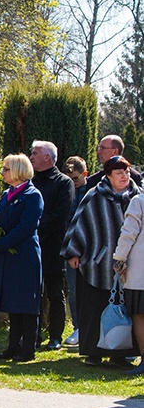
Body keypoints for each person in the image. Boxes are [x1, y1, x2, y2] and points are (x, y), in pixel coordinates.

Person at [62, 156, 141, 367]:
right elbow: (79, 223)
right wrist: (74, 252)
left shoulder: (136, 196)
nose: (124, 176)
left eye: (126, 172)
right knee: (95, 309)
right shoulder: (94, 195)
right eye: (119, 173)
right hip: (97, 264)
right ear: (108, 176)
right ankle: (93, 353)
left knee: (125, 309)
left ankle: (121, 353)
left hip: (130, 268)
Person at [0, 154, 44, 362]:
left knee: (26, 302)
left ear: (18, 170)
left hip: (24, 255)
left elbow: (25, 227)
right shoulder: (6, 194)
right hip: (7, 255)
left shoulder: (32, 195)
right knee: (13, 302)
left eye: (6, 169)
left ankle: (27, 348)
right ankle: (12, 346)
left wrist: (0, 244)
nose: (2, 173)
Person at [29, 140, 73, 350]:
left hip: (54, 245)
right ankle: (33, 335)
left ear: (47, 156)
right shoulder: (29, 181)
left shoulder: (64, 182)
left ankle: (55, 335)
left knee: (55, 293)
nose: (31, 156)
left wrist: (32, 224)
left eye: (35, 153)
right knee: (32, 292)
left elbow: (60, 216)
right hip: (31, 245)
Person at [112, 186, 144, 376]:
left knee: (140, 316)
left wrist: (119, 258)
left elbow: (129, 233)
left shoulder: (139, 202)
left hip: (140, 272)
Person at [63, 156, 88, 347]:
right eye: (69, 179)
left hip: (89, 249)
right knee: (73, 290)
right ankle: (78, 326)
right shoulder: (66, 192)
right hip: (70, 248)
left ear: (85, 174)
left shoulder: (92, 193)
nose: (73, 182)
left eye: (76, 178)